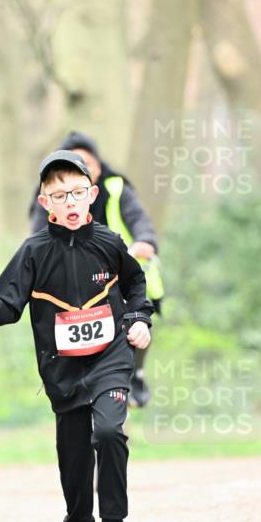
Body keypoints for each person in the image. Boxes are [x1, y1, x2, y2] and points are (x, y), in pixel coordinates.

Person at [0, 150, 153, 522]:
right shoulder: (33, 252)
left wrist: (139, 321)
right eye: (59, 196)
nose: (70, 202)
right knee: (75, 452)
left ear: (92, 195)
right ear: (45, 203)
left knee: (110, 432)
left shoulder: (109, 242)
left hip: (111, 357)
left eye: (78, 193)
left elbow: (137, 286)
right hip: (62, 371)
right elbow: (2, 309)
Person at [30, 132, 163, 407]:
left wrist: (145, 241)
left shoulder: (116, 188)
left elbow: (139, 221)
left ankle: (132, 373)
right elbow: (36, 235)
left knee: (136, 320)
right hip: (71, 285)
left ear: (99, 169)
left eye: (88, 165)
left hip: (118, 279)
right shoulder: (50, 194)